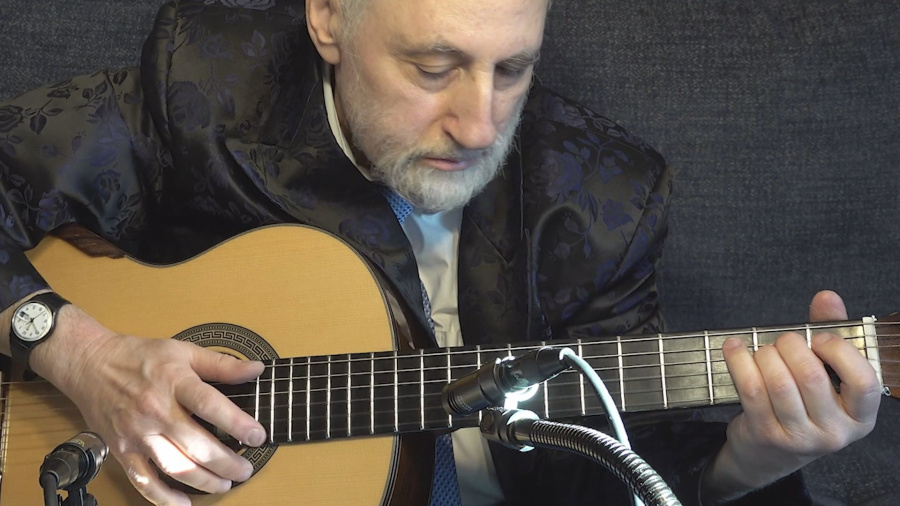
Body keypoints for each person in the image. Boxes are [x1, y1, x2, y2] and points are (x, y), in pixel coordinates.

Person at [0, 0, 881, 504]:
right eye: (432, 69)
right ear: (329, 18)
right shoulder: (207, 86)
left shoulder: (601, 200)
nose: (479, 124)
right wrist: (84, 355)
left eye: (513, 70)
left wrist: (750, 461)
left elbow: (622, 469)